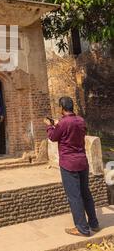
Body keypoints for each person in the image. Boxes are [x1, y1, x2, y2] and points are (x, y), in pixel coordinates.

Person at [44, 97, 100, 237]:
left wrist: (49, 125)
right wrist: (59, 124)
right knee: (85, 193)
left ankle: (82, 228)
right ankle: (94, 223)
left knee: (74, 196)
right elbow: (77, 130)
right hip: (82, 161)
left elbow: (53, 137)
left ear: (62, 108)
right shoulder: (80, 120)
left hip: (69, 163)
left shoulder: (63, 123)